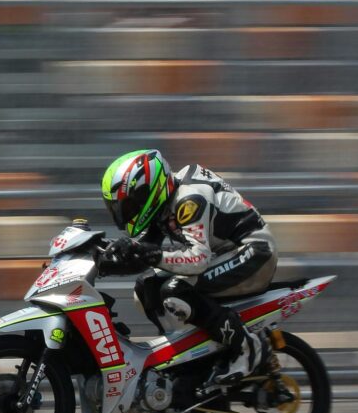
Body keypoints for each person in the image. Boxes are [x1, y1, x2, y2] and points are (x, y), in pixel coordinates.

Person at [99, 149, 276, 391]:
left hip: (254, 253)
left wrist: (152, 254)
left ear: (148, 192)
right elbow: (144, 253)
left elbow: (198, 260)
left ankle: (248, 347)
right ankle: (185, 354)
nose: (125, 214)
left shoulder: (189, 199)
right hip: (224, 254)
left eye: (129, 205)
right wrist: (104, 258)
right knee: (145, 287)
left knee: (176, 290)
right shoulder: (166, 198)